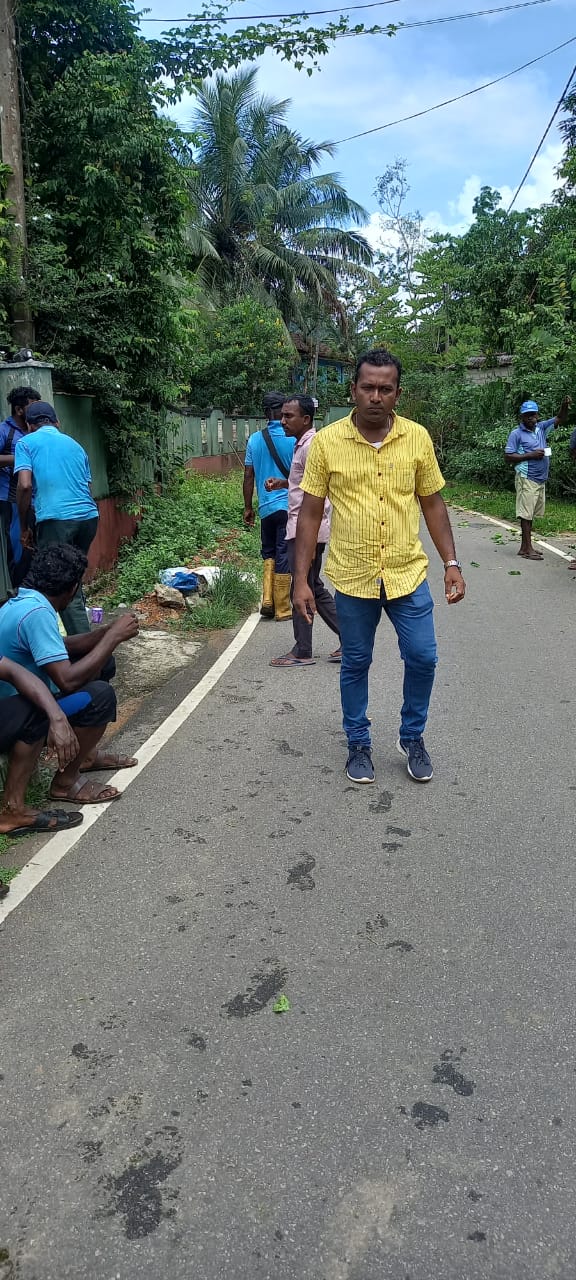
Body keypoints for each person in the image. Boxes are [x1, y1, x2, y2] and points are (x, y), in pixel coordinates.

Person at [293, 348, 466, 786]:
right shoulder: (327, 443)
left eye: (385, 389)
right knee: (356, 661)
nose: (375, 396)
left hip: (407, 573)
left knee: (423, 657)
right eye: (367, 387)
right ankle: (358, 742)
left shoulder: (417, 438)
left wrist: (451, 562)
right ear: (353, 390)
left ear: (397, 394)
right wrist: (301, 580)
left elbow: (432, 503)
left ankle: (412, 737)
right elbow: (310, 513)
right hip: (353, 576)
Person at [0, 545, 139, 806]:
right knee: (101, 697)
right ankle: (65, 783)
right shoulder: (37, 613)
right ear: (72, 588)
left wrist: (104, 633)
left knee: (104, 662)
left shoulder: (23, 601)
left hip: (19, 701)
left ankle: (87, 754)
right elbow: (68, 680)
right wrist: (113, 638)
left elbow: (57, 647)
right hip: (24, 710)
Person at [265, 394, 341, 668]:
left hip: (305, 530)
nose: (282, 421)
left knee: (302, 585)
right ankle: (351, 639)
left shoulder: (311, 447)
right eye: (282, 415)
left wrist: (312, 532)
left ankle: (302, 650)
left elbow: (320, 491)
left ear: (306, 419)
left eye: (289, 416)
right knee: (312, 586)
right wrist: (283, 483)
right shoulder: (304, 445)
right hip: (303, 528)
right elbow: (306, 483)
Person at [15, 400, 99, 634]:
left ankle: (80, 647)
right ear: (57, 422)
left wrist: (24, 526)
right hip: (89, 518)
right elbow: (87, 487)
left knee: (57, 583)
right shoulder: (75, 445)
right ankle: (79, 639)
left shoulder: (25, 443)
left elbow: (24, 485)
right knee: (72, 582)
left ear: (29, 425)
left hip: (57, 519)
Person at [243, 391, 295, 621]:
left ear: (265, 413)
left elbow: (248, 475)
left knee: (269, 553)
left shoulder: (255, 440)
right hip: (288, 506)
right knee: (284, 552)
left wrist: (248, 507)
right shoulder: (292, 437)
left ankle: (267, 599)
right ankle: (282, 607)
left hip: (266, 508)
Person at [504, 396, 571, 560]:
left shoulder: (541, 428)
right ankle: (528, 549)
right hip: (527, 477)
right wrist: (530, 455)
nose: (531, 418)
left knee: (531, 513)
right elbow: (508, 456)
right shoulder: (516, 434)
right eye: (528, 415)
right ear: (522, 417)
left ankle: (525, 547)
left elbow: (560, 418)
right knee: (526, 514)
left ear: (537, 416)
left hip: (540, 478)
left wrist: (564, 406)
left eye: (533, 415)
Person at [0, 386, 41, 589]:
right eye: (32, 407)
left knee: (36, 550)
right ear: (19, 410)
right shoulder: (4, 430)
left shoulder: (36, 431)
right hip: (11, 499)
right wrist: (20, 459)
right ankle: (17, 593)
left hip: (37, 501)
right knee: (18, 550)